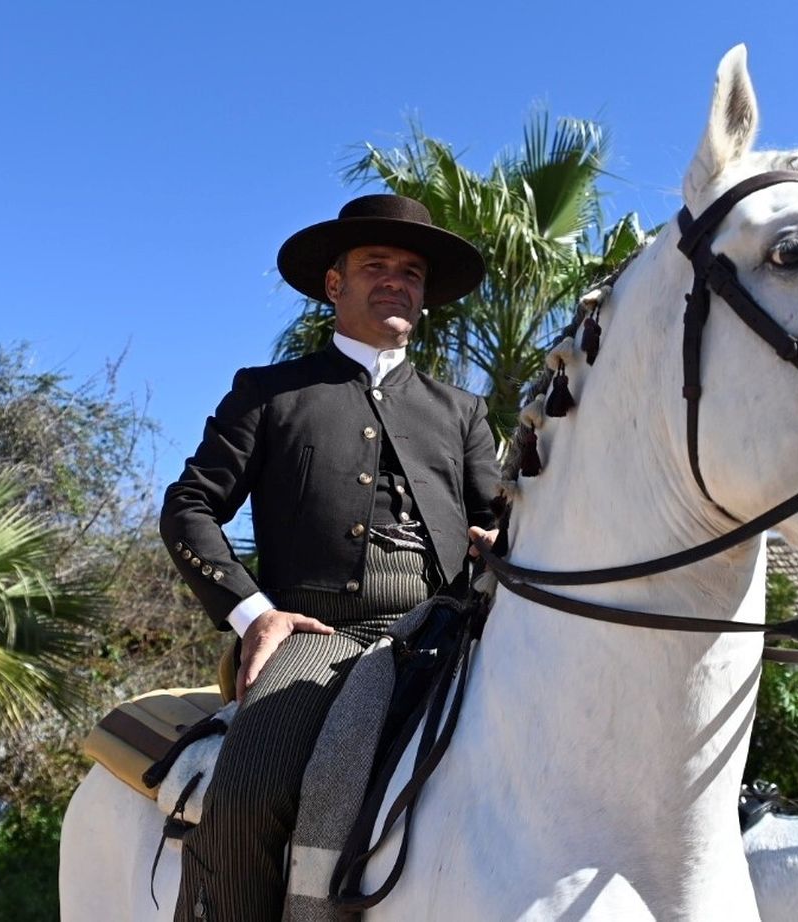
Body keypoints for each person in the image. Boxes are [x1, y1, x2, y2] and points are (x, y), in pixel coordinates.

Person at [159, 193, 501, 921]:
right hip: (319, 637)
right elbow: (188, 508)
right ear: (334, 284)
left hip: (446, 633)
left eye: (411, 271)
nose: (396, 280)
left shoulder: (461, 411)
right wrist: (254, 615)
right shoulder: (269, 394)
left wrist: (504, 542)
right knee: (248, 796)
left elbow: (498, 521)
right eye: (376, 265)